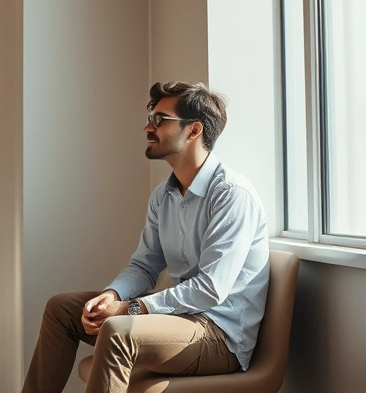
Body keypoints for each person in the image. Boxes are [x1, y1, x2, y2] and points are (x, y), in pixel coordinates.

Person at [21, 81, 270, 393]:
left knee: (119, 330)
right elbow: (145, 267)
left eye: (159, 120)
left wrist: (129, 309)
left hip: (219, 336)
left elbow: (210, 289)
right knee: (62, 309)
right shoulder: (163, 196)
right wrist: (112, 296)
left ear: (193, 131)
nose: (147, 128)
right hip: (177, 320)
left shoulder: (232, 196)